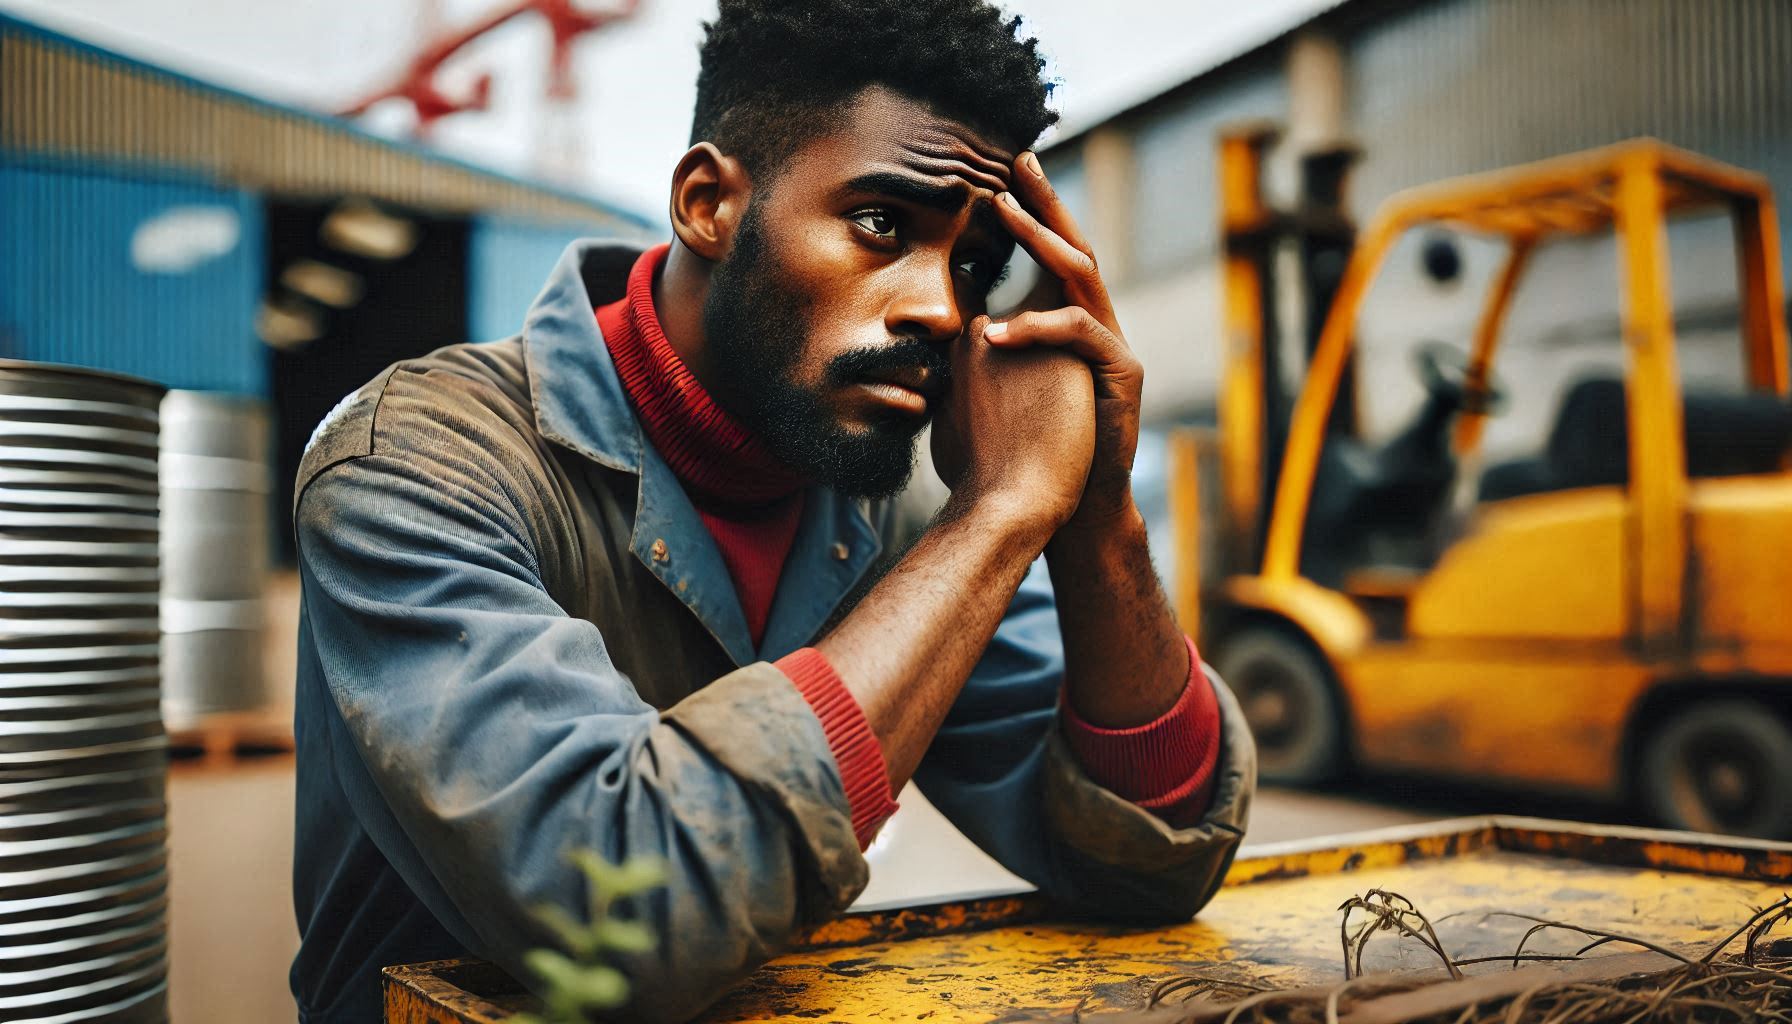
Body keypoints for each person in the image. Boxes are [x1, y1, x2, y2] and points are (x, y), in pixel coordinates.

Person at [288, 1, 1255, 1020]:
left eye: (974, 265)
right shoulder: (419, 461)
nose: (940, 308)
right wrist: (1000, 516)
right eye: (881, 224)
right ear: (708, 203)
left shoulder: (889, 510)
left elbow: (1151, 852)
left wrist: (1095, 515)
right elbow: (626, 908)